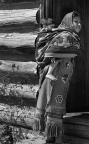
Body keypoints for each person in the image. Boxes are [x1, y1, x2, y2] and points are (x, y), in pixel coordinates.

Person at [33, 11, 82, 144]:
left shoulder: (67, 35)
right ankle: (56, 138)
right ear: (68, 21)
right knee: (55, 104)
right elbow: (55, 53)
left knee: (52, 103)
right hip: (56, 78)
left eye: (79, 22)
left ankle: (50, 138)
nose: (79, 24)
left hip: (59, 76)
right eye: (76, 21)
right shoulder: (66, 35)